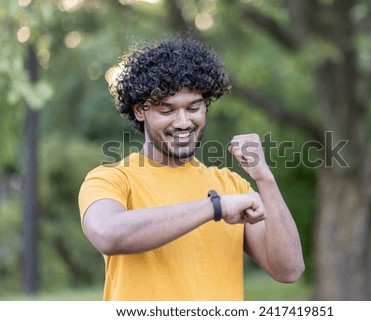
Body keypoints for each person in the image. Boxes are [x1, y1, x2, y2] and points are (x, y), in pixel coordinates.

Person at [78, 37, 304, 301]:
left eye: (194, 108)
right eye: (167, 110)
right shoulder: (111, 179)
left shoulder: (232, 186)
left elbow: (289, 270)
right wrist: (214, 207)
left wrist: (265, 179)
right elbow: (107, 234)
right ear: (140, 111)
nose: (183, 122)